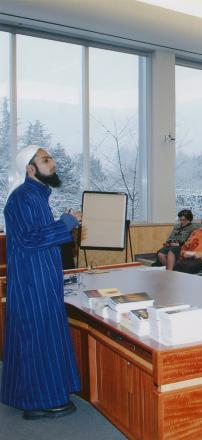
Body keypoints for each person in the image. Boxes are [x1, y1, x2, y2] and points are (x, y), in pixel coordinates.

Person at [2, 145, 82, 420]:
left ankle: (26, 394)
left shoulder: (35, 196)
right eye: (46, 159)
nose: (53, 163)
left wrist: (64, 224)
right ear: (29, 168)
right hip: (32, 283)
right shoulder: (22, 198)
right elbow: (31, 239)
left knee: (37, 335)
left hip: (40, 279)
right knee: (38, 336)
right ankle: (40, 402)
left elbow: (38, 236)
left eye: (51, 158)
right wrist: (66, 223)